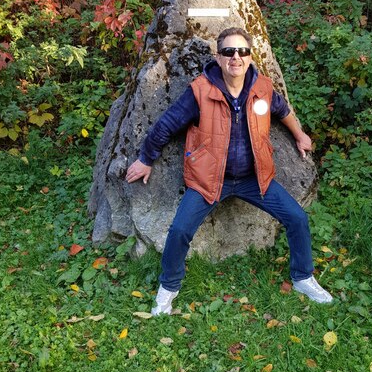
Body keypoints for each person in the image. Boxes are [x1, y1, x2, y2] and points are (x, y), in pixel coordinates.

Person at [126, 27, 333, 314]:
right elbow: (166, 125)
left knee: (297, 218)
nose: (236, 57)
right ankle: (168, 287)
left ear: (249, 56)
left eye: (242, 51)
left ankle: (303, 277)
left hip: (254, 179)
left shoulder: (262, 87)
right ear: (219, 57)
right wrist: (146, 159)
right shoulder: (200, 90)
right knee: (180, 230)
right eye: (228, 51)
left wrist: (299, 135)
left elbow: (283, 110)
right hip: (210, 181)